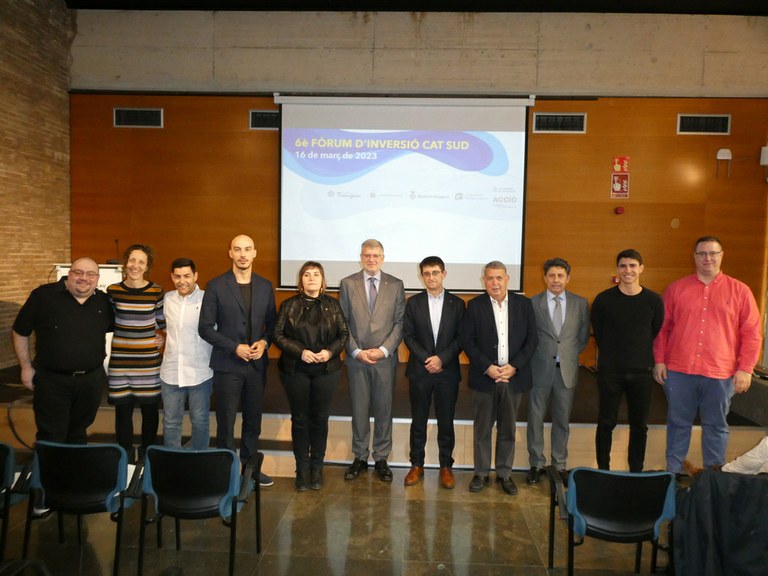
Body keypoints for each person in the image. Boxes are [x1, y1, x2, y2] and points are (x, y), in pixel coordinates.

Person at [653, 236, 762, 474]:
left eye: (713, 253)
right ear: (694, 257)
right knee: (678, 424)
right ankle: (673, 474)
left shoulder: (740, 291)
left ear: (722, 256)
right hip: (679, 371)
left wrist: (745, 368)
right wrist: (659, 360)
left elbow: (752, 333)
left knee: (716, 427)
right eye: (702, 253)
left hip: (721, 373)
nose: (707, 258)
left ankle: (713, 478)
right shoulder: (675, 289)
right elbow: (662, 329)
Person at [199, 234, 277, 486]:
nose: (242, 254)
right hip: (227, 365)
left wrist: (264, 342)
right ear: (230, 253)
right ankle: (226, 472)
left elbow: (273, 325)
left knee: (253, 420)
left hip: (256, 366)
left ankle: (250, 469)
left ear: (255, 253)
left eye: (247, 249)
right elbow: (205, 328)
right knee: (226, 421)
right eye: (237, 249)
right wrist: (234, 348)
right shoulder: (215, 286)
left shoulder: (265, 286)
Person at [12, 257, 114, 443]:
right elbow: (20, 331)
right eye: (78, 272)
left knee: (79, 433)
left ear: (97, 278)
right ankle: (50, 463)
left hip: (90, 382)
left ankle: (73, 462)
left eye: (91, 274)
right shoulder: (43, 296)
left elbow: (124, 327)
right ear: (69, 273)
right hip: (52, 381)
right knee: (51, 436)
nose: (84, 278)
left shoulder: (103, 301)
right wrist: (25, 367)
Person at [461, 261, 538, 495]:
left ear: (507, 279)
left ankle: (505, 473)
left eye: (499, 278)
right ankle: (481, 473)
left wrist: (514, 367)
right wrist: (488, 367)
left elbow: (532, 340)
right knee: (482, 429)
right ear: (483, 281)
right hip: (485, 378)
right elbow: (468, 341)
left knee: (508, 429)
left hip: (513, 378)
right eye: (490, 278)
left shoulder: (524, 305)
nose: (495, 283)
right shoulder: (474, 306)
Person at [272, 261, 349, 491]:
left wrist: (329, 352)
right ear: (301, 280)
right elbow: (277, 334)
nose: (312, 278)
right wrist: (301, 352)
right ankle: (302, 469)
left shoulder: (333, 305)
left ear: (322, 280)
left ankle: (317, 469)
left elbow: (343, 334)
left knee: (320, 419)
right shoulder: (289, 305)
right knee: (300, 419)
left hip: (326, 371)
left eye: (316, 274)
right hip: (296, 370)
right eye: (307, 274)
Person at [591, 249, 664, 472]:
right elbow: (599, 333)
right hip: (610, 372)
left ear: (641, 268)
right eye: (623, 266)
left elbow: (654, 331)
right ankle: (603, 470)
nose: (628, 270)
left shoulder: (653, 301)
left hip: (642, 372)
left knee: (639, 425)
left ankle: (636, 472)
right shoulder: (603, 300)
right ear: (617, 269)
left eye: (632, 265)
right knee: (606, 422)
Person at [339, 239, 406, 482]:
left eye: (376, 255)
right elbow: (342, 322)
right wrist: (356, 351)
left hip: (385, 360)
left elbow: (400, 323)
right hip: (357, 359)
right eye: (367, 255)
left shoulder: (396, 285)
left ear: (383, 258)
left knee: (383, 409)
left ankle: (381, 458)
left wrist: (384, 350)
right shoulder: (347, 284)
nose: (371, 259)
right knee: (359, 409)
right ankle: (359, 456)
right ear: (361, 257)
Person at [402, 256, 465, 489]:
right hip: (420, 371)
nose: (431, 277)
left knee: (446, 421)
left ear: (444, 274)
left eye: (435, 273)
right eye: (426, 273)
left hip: (447, 372)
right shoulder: (413, 303)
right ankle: (416, 464)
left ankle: (446, 466)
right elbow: (408, 336)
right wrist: (428, 360)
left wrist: (441, 359)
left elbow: (461, 338)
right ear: (421, 276)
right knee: (418, 420)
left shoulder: (458, 304)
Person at [526, 258, 590, 485]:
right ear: (545, 278)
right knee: (535, 419)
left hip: (567, 371)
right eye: (551, 275)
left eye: (560, 276)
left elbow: (582, 337)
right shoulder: (532, 303)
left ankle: (560, 464)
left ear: (568, 278)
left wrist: (567, 354)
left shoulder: (580, 304)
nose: (556, 280)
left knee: (562, 419)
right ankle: (536, 464)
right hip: (539, 369)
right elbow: (529, 336)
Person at [108, 244, 165, 460]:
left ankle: (146, 455)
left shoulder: (156, 291)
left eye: (141, 262)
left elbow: (163, 323)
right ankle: (124, 456)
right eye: (132, 260)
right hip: (120, 363)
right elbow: (108, 321)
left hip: (148, 363)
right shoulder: (113, 291)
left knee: (150, 412)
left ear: (147, 266)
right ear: (126, 262)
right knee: (122, 412)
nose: (135, 265)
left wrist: (163, 339)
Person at [159, 257, 213, 450]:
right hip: (171, 372)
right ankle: (172, 460)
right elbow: (164, 328)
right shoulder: (167, 299)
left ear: (195, 276)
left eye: (187, 276)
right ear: (172, 277)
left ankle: (198, 459)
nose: (182, 281)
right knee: (171, 422)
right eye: (177, 276)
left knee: (200, 421)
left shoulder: (208, 299)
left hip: (200, 372)